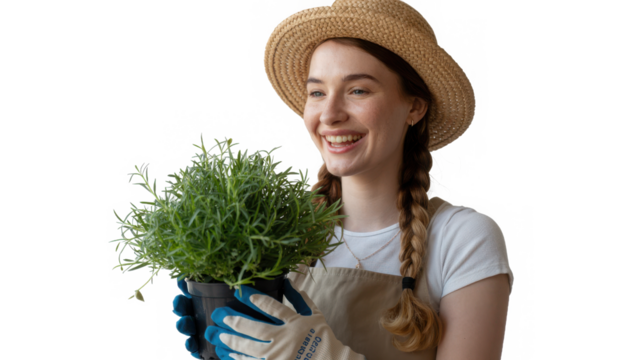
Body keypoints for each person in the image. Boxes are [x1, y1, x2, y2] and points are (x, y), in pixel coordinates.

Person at [173, 0, 514, 359]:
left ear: (414, 107)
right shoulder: (275, 236)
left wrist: (320, 355)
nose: (330, 114)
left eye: (358, 90)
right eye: (317, 92)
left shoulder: (463, 239)